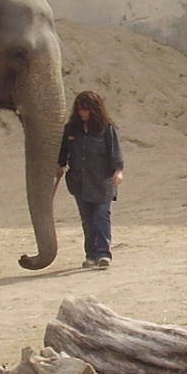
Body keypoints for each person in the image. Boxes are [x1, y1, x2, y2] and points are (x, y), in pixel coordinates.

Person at [57, 89, 125, 269]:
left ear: (95, 109)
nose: (83, 113)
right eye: (80, 109)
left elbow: (115, 151)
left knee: (101, 217)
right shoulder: (71, 129)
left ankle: (103, 254)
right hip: (79, 181)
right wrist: (60, 165)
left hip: (102, 181)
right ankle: (91, 255)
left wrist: (118, 171)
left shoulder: (106, 128)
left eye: (87, 109)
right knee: (87, 220)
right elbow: (64, 151)